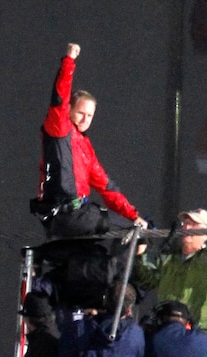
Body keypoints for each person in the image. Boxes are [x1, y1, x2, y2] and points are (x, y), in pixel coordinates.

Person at [35, 43, 147, 239]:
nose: (86, 119)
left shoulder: (85, 148)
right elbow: (60, 97)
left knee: (95, 261)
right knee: (135, 233)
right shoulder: (60, 129)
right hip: (65, 214)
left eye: (90, 115)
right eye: (81, 113)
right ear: (69, 110)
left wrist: (133, 214)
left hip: (75, 217)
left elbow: (107, 187)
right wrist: (69, 61)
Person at [133, 209, 207, 335]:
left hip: (197, 331)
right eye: (185, 223)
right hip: (165, 328)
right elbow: (146, 280)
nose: (187, 227)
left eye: (194, 224)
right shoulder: (169, 257)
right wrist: (140, 250)